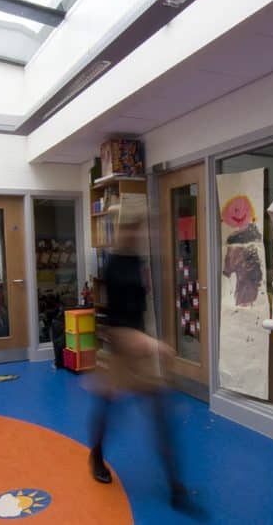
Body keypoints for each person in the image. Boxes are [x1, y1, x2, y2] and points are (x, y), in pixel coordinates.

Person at [88, 215, 201, 515]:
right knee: (109, 410)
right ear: (123, 231)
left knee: (161, 415)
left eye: (142, 230)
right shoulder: (112, 266)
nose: (139, 235)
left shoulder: (138, 262)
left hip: (139, 346)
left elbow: (140, 308)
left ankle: (176, 488)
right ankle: (96, 456)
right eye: (134, 229)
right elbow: (118, 322)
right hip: (122, 347)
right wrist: (154, 346)